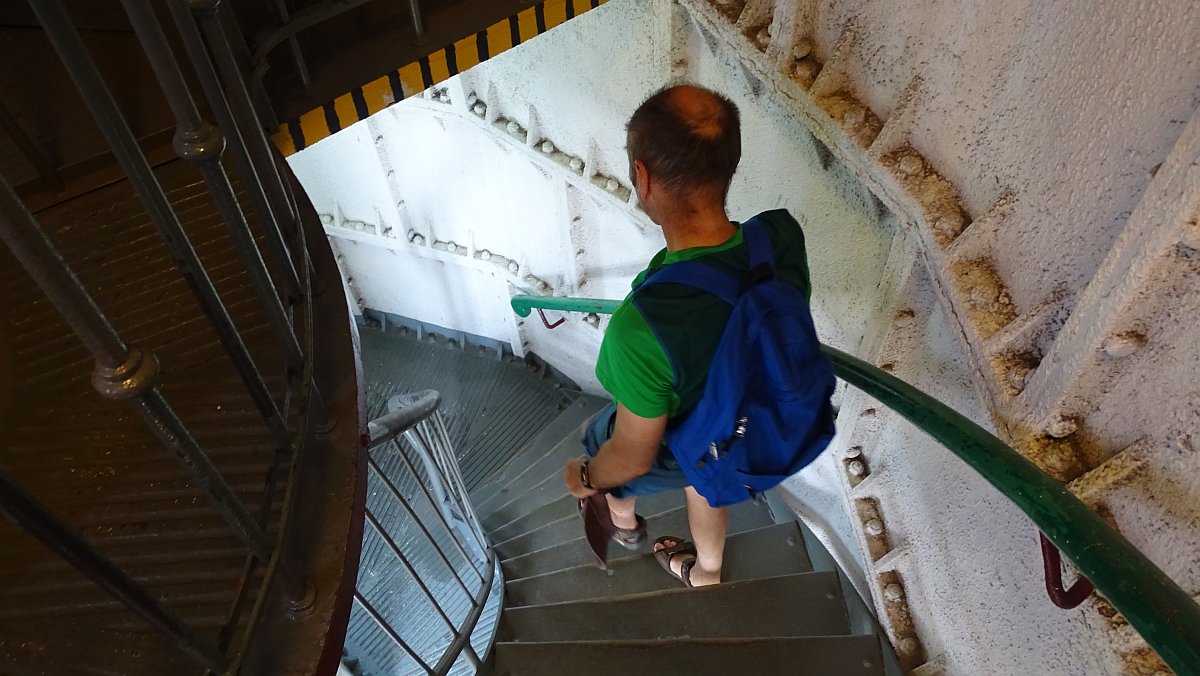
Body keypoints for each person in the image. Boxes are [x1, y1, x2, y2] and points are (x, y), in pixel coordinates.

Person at [563, 84, 816, 588]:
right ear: (731, 164)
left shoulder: (641, 330)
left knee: (602, 439)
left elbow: (632, 454)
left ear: (643, 177)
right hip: (760, 414)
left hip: (703, 437)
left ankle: (626, 527)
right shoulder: (779, 237)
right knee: (708, 480)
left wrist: (585, 476)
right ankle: (706, 571)